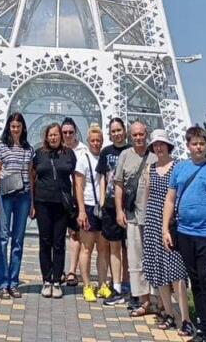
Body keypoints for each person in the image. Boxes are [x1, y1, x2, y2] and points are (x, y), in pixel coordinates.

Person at [163, 125, 206, 342]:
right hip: (184, 233)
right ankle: (202, 327)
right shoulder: (180, 169)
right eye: (195, 143)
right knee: (196, 281)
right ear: (188, 145)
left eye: (202, 143)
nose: (199, 147)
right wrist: (165, 228)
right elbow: (170, 199)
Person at [142, 129, 193, 336]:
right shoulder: (150, 168)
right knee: (159, 271)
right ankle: (169, 314)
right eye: (155, 145)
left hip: (171, 224)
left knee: (176, 272)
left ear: (168, 145)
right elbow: (147, 196)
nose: (159, 147)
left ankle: (186, 318)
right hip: (153, 223)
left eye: (162, 143)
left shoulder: (178, 167)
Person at [114, 120, 156, 317]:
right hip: (132, 215)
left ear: (146, 135)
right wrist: (119, 211)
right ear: (131, 136)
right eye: (135, 135)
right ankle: (143, 300)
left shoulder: (156, 157)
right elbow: (119, 185)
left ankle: (158, 300)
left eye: (141, 134)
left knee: (153, 259)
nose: (138, 138)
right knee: (135, 259)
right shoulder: (125, 155)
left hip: (153, 217)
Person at [31, 122, 77, 298]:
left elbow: (76, 179)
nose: (53, 137)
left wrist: (76, 205)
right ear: (46, 137)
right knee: (45, 242)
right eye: (50, 135)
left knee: (59, 243)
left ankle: (57, 280)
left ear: (61, 136)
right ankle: (46, 280)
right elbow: (32, 177)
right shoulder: (39, 155)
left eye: (56, 134)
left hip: (61, 204)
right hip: (43, 203)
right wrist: (32, 204)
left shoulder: (69, 154)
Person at [0, 111, 33, 298]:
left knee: (18, 240)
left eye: (18, 126)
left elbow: (31, 177)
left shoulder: (28, 149)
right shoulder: (1, 147)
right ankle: (1, 282)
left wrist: (32, 201)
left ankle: (13, 282)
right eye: (13, 126)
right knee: (2, 238)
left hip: (23, 196)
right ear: (9, 127)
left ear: (23, 128)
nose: (15, 129)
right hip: (6, 196)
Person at [74, 124, 110, 302]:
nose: (96, 143)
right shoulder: (82, 158)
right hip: (88, 206)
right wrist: (81, 210)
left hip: (102, 207)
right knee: (87, 248)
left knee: (103, 249)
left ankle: (103, 284)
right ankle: (87, 285)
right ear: (88, 141)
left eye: (99, 140)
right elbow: (78, 185)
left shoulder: (104, 158)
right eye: (93, 140)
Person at [96, 116, 130, 305]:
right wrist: (102, 200)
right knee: (115, 247)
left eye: (119, 130)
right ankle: (117, 285)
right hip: (110, 205)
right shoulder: (106, 152)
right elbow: (102, 176)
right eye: (113, 131)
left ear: (124, 131)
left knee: (131, 249)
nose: (116, 133)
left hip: (130, 205)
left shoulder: (132, 151)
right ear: (110, 134)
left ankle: (131, 285)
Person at [61, 117, 87, 286]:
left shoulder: (83, 150)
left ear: (75, 132)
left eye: (71, 132)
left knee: (74, 233)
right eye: (65, 132)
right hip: (59, 196)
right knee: (56, 235)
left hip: (77, 196)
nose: (68, 135)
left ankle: (72, 271)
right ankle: (58, 270)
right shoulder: (56, 149)